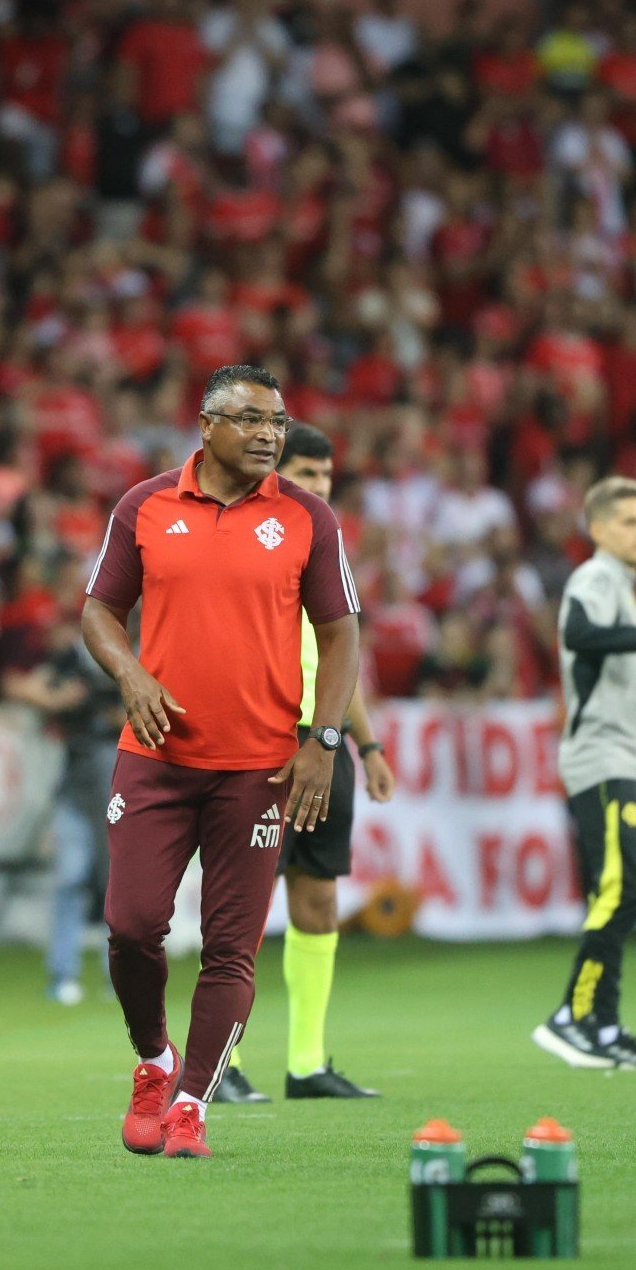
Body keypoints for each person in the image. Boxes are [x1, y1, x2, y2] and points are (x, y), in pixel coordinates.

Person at [83, 363, 361, 1160]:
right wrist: (131, 673)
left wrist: (326, 739)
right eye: (250, 419)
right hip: (156, 758)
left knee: (231, 947)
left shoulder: (309, 519)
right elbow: (100, 608)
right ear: (205, 426)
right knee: (131, 927)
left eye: (277, 420)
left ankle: (192, 1105)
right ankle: (152, 1059)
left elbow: (342, 632)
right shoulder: (145, 505)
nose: (269, 434)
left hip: (261, 769)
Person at [212, 421, 396, 1105]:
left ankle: (307, 1063)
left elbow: (342, 657)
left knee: (318, 901)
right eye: (306, 474)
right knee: (244, 910)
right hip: (263, 742)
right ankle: (217, 1064)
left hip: (325, 742)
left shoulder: (324, 545)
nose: (318, 486)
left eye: (325, 476)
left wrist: (366, 745)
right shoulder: (250, 539)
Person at [530, 477, 636, 1069]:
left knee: (618, 891)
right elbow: (578, 632)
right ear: (596, 529)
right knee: (625, 891)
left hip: (621, 759)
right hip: (602, 758)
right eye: (628, 521)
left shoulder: (618, 587)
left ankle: (602, 1026)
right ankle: (573, 1015)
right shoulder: (595, 579)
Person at [2, 612, 123, 1005]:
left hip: (111, 776)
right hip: (76, 777)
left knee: (114, 881)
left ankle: (118, 975)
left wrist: (106, 710)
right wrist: (61, 698)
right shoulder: (69, 663)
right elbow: (21, 687)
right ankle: (63, 973)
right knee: (69, 876)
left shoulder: (120, 656)